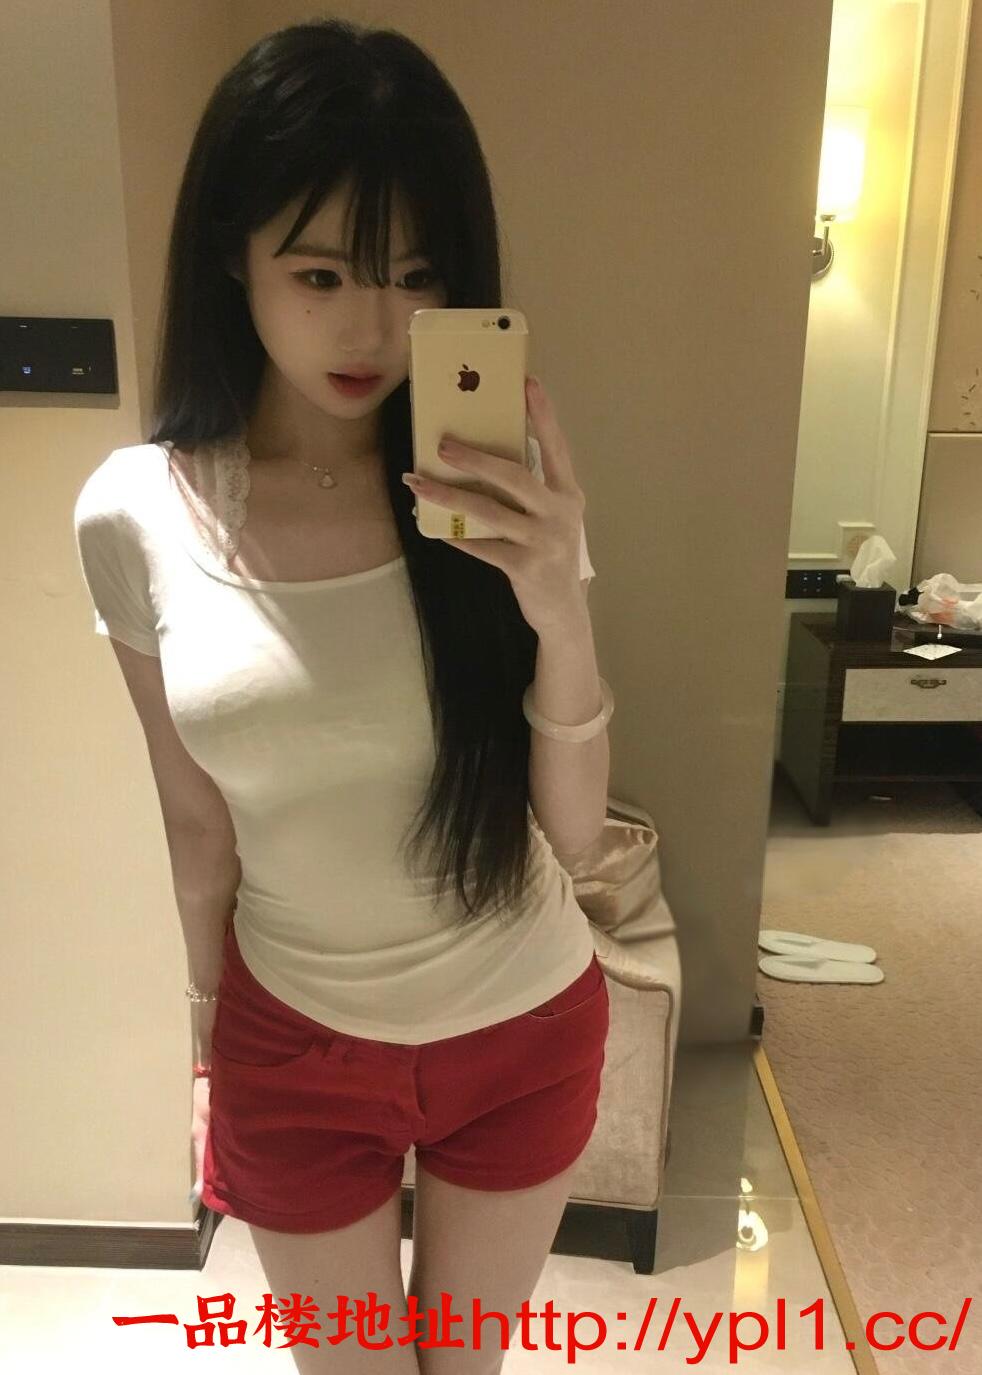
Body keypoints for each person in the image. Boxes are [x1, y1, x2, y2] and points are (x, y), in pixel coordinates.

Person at [73, 18, 613, 1374]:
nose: (373, 329)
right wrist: (208, 1043)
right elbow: (194, 821)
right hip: (292, 1040)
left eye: (417, 277)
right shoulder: (137, 514)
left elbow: (574, 837)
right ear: (232, 257)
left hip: (525, 1022)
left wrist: (560, 605)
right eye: (319, 274)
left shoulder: (495, 488)